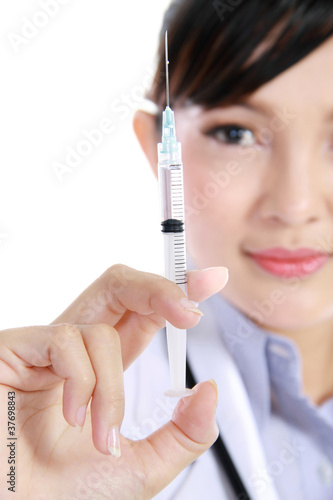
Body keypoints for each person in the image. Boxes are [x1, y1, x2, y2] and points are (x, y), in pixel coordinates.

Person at [1, 0, 333, 498]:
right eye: (236, 133)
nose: (294, 205)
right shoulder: (61, 424)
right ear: (156, 149)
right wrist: (11, 476)